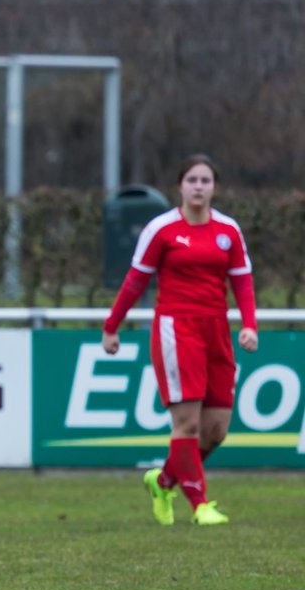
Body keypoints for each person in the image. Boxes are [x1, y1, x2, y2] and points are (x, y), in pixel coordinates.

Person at [102, 153, 257, 527]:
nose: (199, 187)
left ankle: (164, 480)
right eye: (192, 180)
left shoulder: (228, 231)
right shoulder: (161, 229)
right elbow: (136, 280)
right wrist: (112, 326)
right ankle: (199, 503)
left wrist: (249, 324)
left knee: (216, 429)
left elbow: (242, 280)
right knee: (186, 424)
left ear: (214, 187)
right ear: (181, 186)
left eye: (205, 180)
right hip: (176, 329)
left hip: (216, 329)